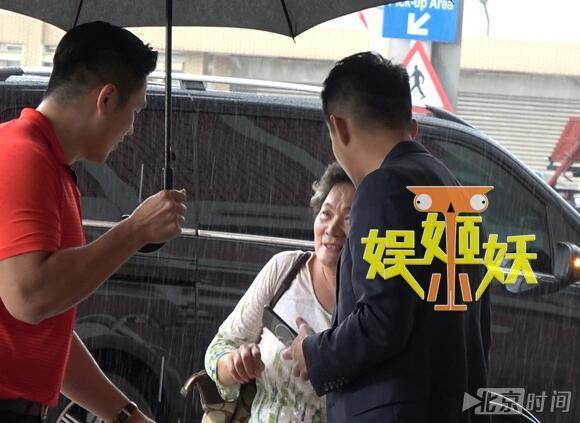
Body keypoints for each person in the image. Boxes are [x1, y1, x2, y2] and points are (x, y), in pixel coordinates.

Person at [284, 52, 491, 422]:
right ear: (408, 123)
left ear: (339, 127)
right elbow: (475, 327)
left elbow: (382, 321)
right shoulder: (454, 190)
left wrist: (313, 353)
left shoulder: (383, 187)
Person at [0, 22, 187, 423]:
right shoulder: (23, 155)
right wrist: (133, 231)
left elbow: (46, 333)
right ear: (107, 98)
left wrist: (126, 415)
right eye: (134, 112)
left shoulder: (46, 162)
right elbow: (30, 298)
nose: (131, 129)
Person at [204, 162, 354, 422]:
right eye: (326, 214)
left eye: (349, 218)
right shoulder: (285, 269)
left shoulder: (375, 298)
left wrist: (319, 356)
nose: (332, 228)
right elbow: (220, 346)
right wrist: (233, 364)